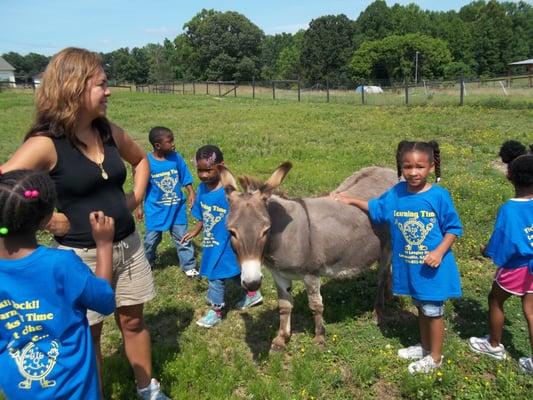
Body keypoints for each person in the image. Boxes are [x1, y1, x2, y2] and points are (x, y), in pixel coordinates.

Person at [0, 47, 168, 399]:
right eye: (102, 84)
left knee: (134, 322)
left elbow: (140, 162)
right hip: (81, 258)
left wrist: (134, 199)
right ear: (74, 87)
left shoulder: (106, 131)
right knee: (87, 337)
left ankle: (146, 389)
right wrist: (47, 219)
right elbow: (5, 188)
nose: (108, 92)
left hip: (129, 246)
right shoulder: (46, 144)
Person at [332, 140, 462, 374]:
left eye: (420, 167)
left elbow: (453, 228)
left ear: (431, 167)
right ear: (400, 167)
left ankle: (435, 357)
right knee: (421, 308)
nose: (413, 172)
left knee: (433, 312)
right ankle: (424, 348)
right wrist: (350, 200)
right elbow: (376, 207)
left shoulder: (439, 196)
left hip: (433, 269)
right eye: (407, 167)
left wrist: (439, 252)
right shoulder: (396, 193)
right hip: (412, 267)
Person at [0, 169, 115, 400]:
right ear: (45, 219)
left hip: (19, 388)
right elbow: (104, 301)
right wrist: (103, 245)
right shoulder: (60, 265)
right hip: (74, 389)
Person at [469, 140, 533, 375]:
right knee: (531, 311)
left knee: (495, 300)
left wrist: (486, 250)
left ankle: (494, 345)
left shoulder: (509, 209)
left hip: (516, 267)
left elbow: (502, 244)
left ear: (509, 176)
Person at [181, 145, 263, 328]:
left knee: (215, 276)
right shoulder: (202, 189)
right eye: (199, 170)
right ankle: (252, 295)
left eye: (208, 170)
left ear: (221, 166)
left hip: (227, 244)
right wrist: (196, 230)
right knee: (234, 273)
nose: (203, 175)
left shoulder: (229, 193)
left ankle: (216, 311)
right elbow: (203, 214)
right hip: (212, 242)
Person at [136, 126, 198, 276]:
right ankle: (147, 263)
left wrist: (191, 192)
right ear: (158, 145)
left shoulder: (176, 157)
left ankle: (189, 266)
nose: (173, 144)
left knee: (183, 238)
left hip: (176, 208)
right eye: (169, 142)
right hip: (156, 210)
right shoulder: (147, 163)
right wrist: (139, 206)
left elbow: (184, 175)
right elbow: (141, 186)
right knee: (151, 241)